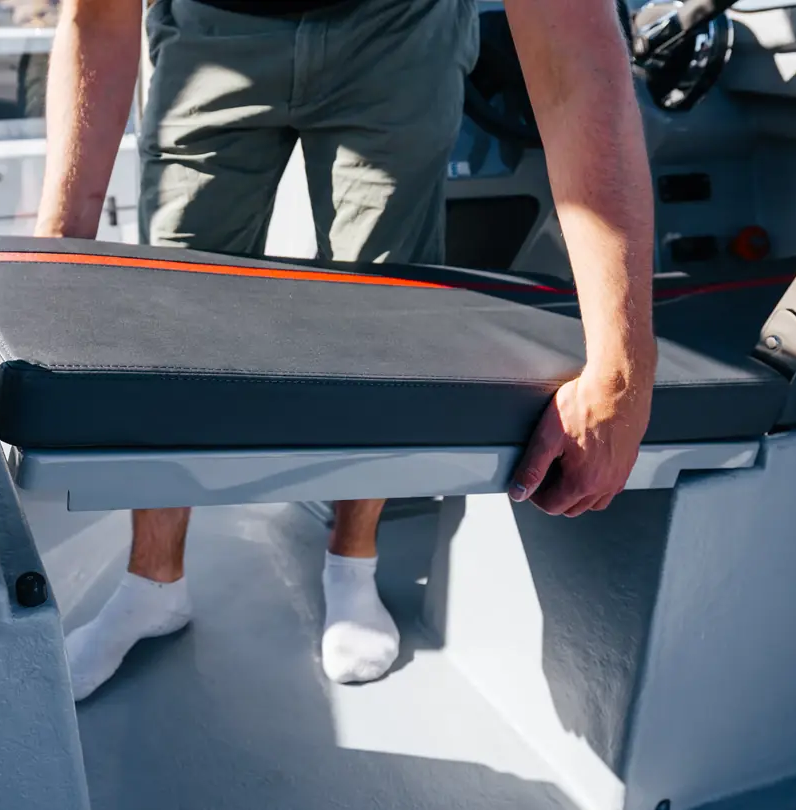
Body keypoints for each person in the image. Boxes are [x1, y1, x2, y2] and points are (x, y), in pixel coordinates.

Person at [33, 0, 657, 701]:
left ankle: (352, 561)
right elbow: (98, 17)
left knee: (388, 313)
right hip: (215, 26)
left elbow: (573, 56)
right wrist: (50, 272)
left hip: (399, 24)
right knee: (169, 313)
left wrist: (623, 372)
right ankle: (153, 583)